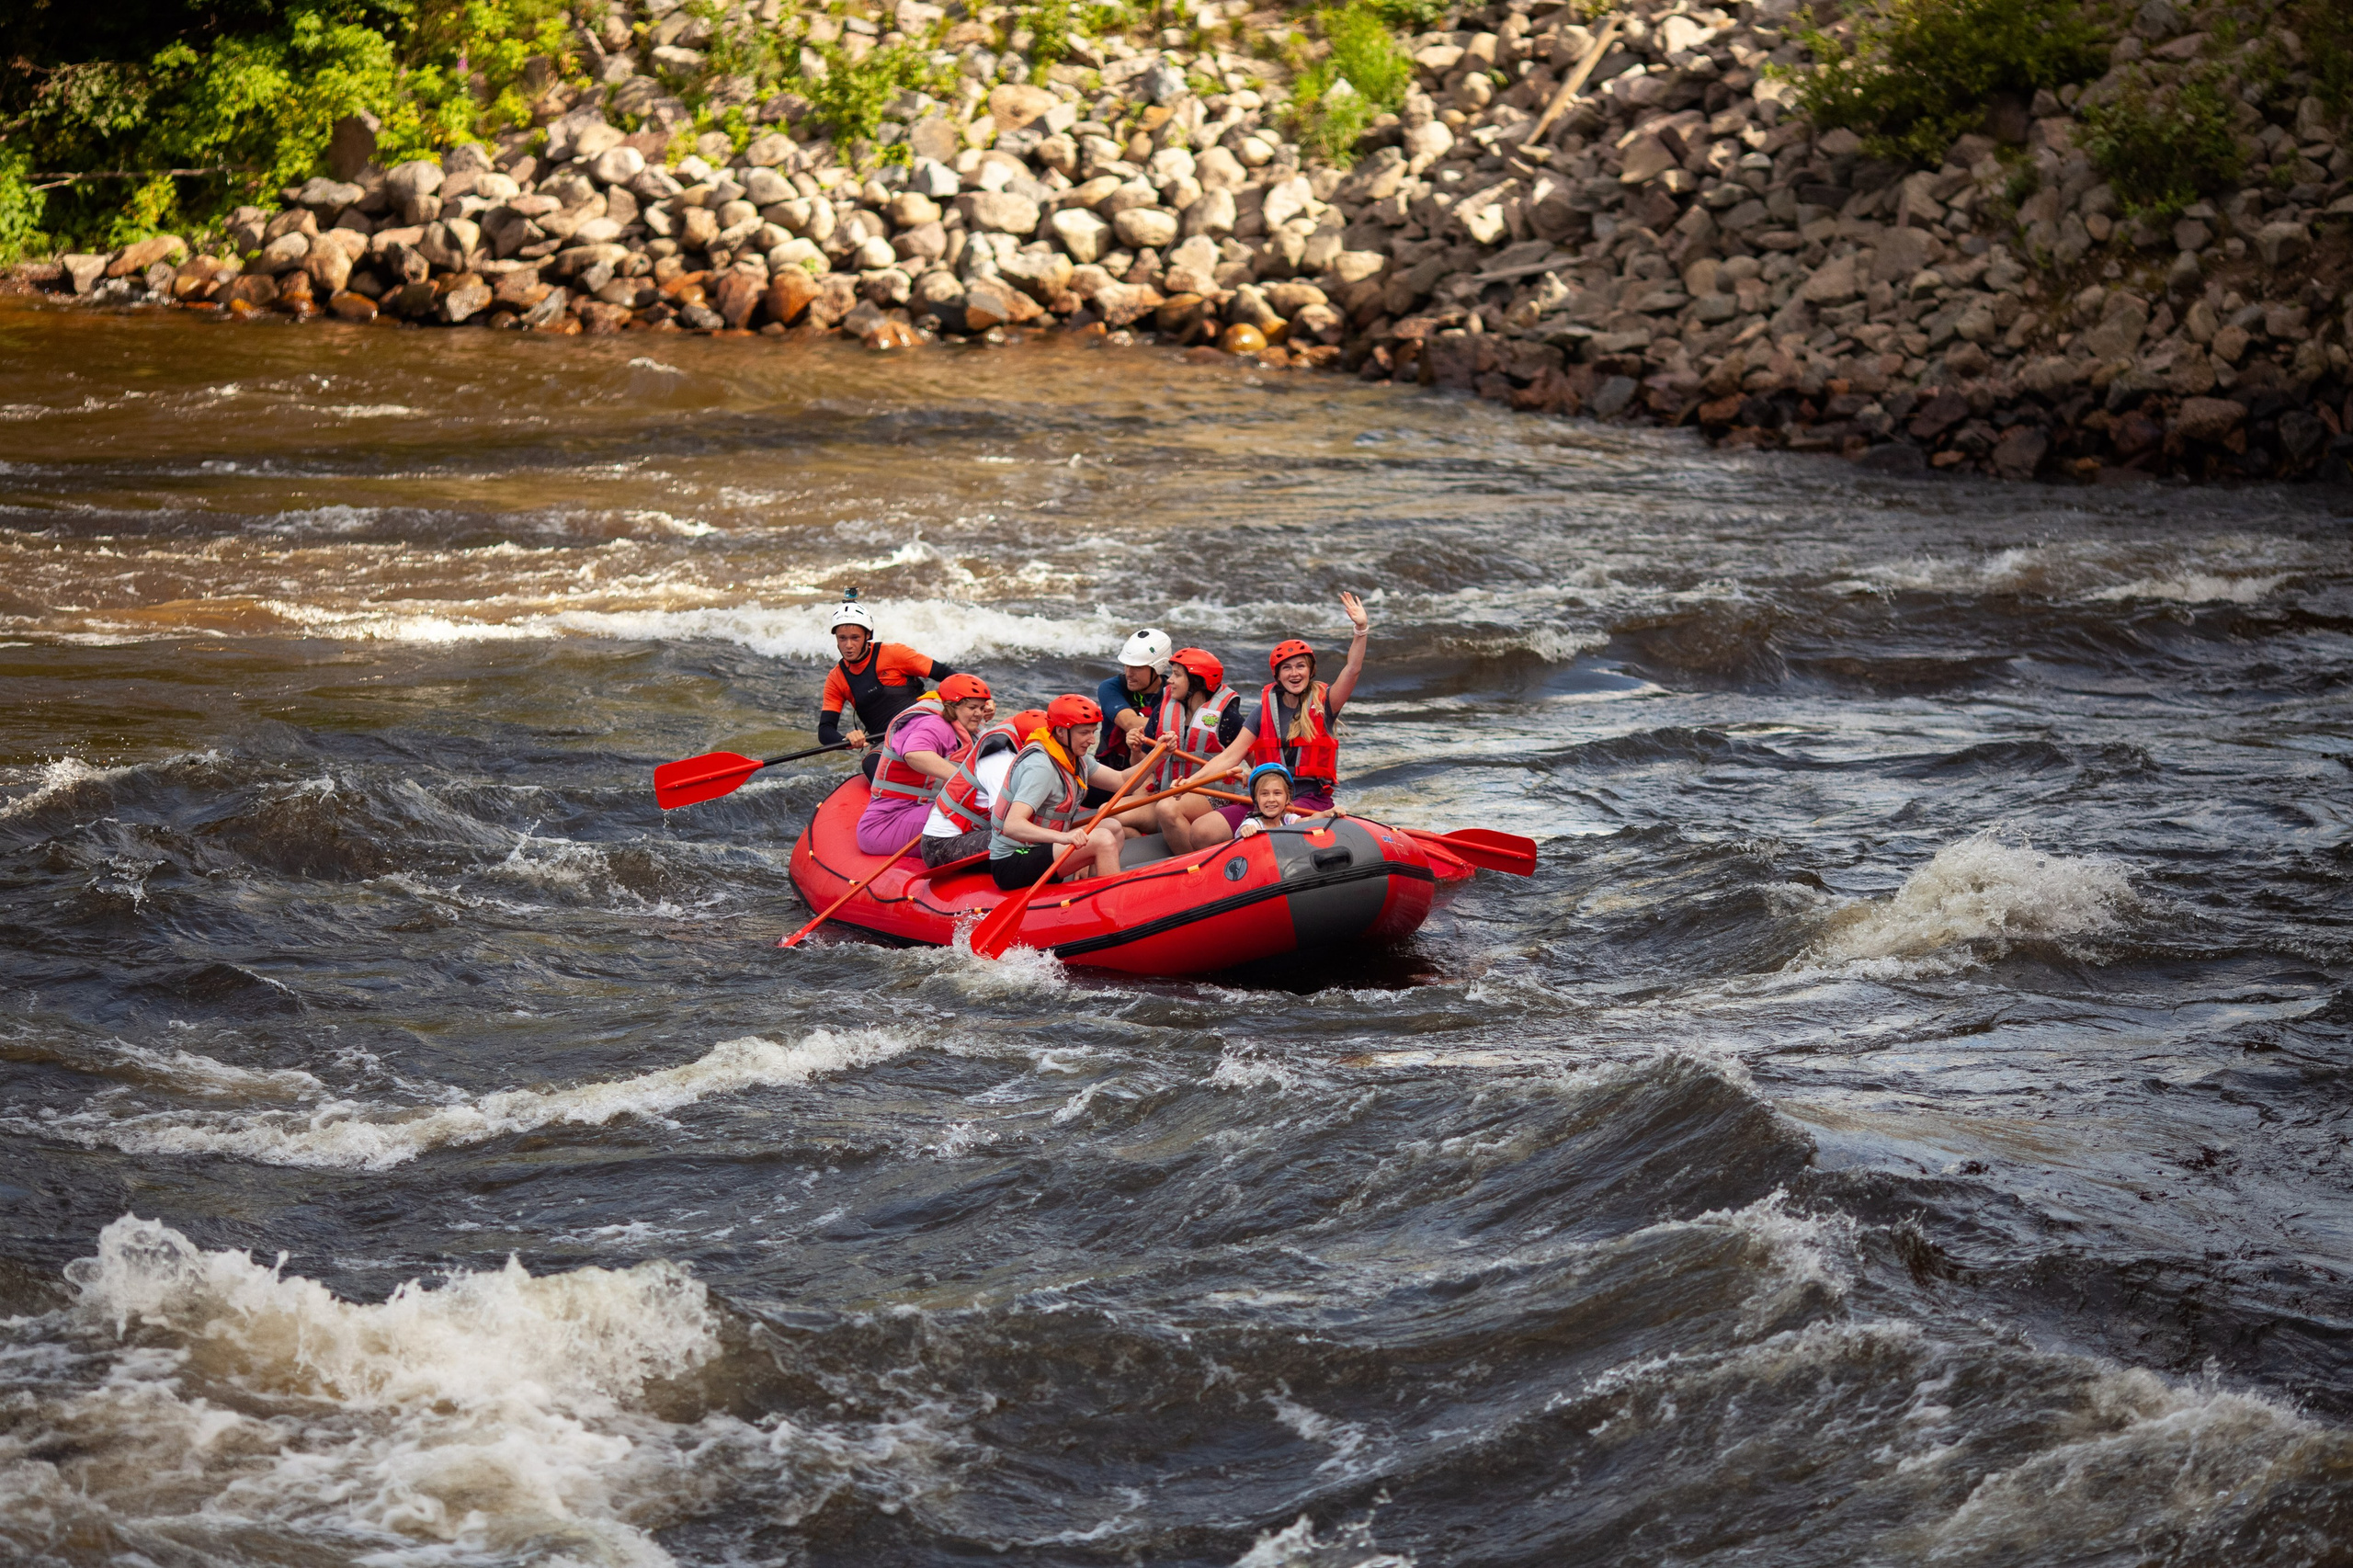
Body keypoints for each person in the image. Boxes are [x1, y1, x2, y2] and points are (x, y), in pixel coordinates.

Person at [1180, 590, 1370, 847]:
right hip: (1267, 798)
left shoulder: (1324, 703)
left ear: (1310, 671)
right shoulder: (1263, 712)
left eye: (1300, 666)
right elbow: (1229, 756)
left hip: (1309, 801)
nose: (1294, 673)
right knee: (1203, 831)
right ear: (1277, 675)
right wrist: (1189, 783)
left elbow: (1353, 670)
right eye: (1287, 668)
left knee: (1280, 833)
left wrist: (1361, 629)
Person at [989, 694, 1155, 890]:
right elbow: (1012, 825)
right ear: (1061, 731)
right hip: (1013, 860)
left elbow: (1122, 781)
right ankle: (1112, 904)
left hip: (1040, 848)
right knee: (1103, 840)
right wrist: (1064, 838)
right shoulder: (1041, 768)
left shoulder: (1073, 757)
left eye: (1094, 732)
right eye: (1084, 732)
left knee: (1113, 826)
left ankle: (1092, 889)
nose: (1092, 740)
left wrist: (1158, 755)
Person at [816, 591, 959, 779]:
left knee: (917, 747)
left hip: (922, 723)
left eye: (855, 638)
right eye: (842, 638)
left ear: (867, 635)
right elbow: (825, 730)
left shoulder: (894, 654)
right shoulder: (836, 678)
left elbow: (948, 675)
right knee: (871, 765)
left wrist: (980, 701)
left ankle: (956, 780)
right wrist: (846, 740)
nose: (848, 645)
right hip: (887, 741)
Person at [857, 674, 993, 854]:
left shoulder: (962, 722)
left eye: (982, 708)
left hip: (917, 810)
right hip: (886, 823)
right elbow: (915, 754)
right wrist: (968, 781)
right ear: (952, 705)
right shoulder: (933, 723)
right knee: (981, 813)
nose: (979, 714)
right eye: (973, 707)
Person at [1145, 647, 1246, 852]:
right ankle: (1155, 854)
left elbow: (1256, 761)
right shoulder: (1162, 711)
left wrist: (1251, 776)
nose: (1169, 680)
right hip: (1169, 792)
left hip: (1215, 798)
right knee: (1111, 813)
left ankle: (1197, 867)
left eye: (1177, 675)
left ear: (1197, 682)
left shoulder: (1228, 718)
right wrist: (1134, 748)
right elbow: (1140, 765)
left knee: (1167, 808)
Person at [921, 705, 1044, 869]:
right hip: (941, 845)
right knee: (1030, 843)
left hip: (971, 833)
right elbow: (1006, 822)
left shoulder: (1024, 759)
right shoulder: (1001, 762)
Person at [1092, 628, 1173, 786]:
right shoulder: (1110, 687)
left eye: (1137, 667)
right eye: (1127, 666)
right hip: (1111, 776)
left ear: (1158, 667)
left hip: (1153, 776)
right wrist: (1177, 729)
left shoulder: (1173, 693)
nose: (1129, 673)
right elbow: (1129, 723)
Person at [1231, 762, 1343, 838]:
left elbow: (1310, 820)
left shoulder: (1288, 820)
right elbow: (1245, 829)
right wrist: (1247, 830)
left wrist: (1326, 813)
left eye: (1277, 793)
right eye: (1264, 794)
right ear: (1256, 799)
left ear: (1287, 798)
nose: (1271, 799)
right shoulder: (1253, 824)